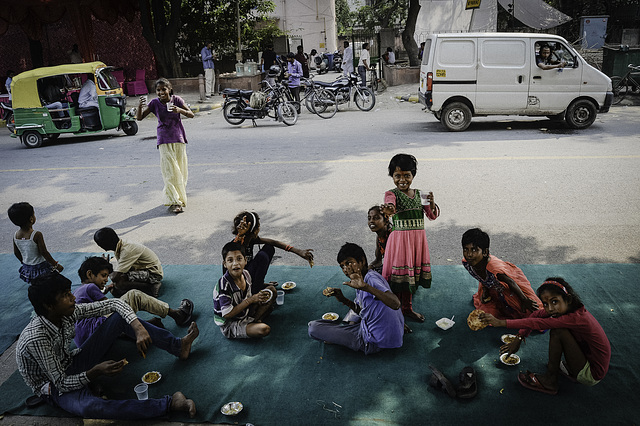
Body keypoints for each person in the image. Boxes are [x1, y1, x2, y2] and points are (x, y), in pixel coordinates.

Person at [16, 272, 198, 420]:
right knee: (91, 407)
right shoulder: (36, 338)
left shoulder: (65, 313)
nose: (73, 297)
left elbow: (114, 304)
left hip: (72, 362)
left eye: (69, 292)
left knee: (119, 317)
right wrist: (94, 372)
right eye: (65, 295)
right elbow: (61, 383)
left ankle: (178, 346)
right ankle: (168, 404)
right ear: (48, 306)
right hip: (53, 387)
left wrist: (138, 327)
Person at [481, 278, 611, 395]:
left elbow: (537, 323)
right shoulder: (573, 311)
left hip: (592, 373)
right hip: (589, 361)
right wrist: (520, 337)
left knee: (558, 331)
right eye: (546, 304)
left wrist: (501, 322)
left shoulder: (575, 318)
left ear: (569, 299)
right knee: (560, 329)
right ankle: (570, 369)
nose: (550, 308)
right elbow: (536, 315)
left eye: (555, 301)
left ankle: (550, 380)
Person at [73, 256, 194, 346]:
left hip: (85, 342)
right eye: (103, 275)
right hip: (96, 332)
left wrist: (104, 290)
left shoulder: (78, 292)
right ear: (89, 274)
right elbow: (113, 306)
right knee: (133, 296)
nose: (105, 279)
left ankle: (132, 331)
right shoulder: (90, 287)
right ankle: (177, 315)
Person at [308, 243, 404, 354]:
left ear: (362, 261)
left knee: (313, 328)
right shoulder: (366, 276)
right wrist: (343, 299)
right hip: (381, 333)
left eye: (349, 263)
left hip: (374, 341)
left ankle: (342, 337)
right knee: (351, 316)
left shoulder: (370, 280)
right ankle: (342, 333)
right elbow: (362, 311)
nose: (346, 269)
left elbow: (396, 304)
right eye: (342, 266)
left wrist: (366, 287)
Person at [380, 154, 440, 322]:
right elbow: (390, 206)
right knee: (399, 278)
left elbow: (432, 216)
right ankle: (395, 310)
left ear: (413, 175)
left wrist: (432, 204)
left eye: (407, 175)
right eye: (397, 176)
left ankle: (407, 308)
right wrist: (388, 209)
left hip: (416, 244)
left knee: (410, 277)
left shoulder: (422, 194)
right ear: (392, 176)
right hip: (400, 245)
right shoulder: (390, 194)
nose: (402, 180)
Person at [136, 78, 193, 214]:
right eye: (158, 90)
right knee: (169, 172)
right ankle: (175, 202)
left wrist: (180, 110)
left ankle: (179, 195)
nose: (161, 92)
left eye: (164, 89)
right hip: (163, 139)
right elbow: (139, 118)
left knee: (180, 170)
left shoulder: (177, 100)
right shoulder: (154, 103)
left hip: (178, 138)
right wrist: (139, 106)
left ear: (169, 89)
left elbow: (191, 114)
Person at [462, 228, 541, 319]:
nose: (469, 254)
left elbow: (511, 282)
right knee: (487, 314)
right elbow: (481, 278)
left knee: (533, 314)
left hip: (512, 286)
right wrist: (485, 290)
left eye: (474, 250)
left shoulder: (495, 269)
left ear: (485, 252)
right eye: (465, 249)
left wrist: (524, 300)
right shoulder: (467, 263)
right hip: (495, 288)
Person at [228, 211, 314, 293]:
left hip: (247, 275)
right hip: (237, 283)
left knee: (269, 248)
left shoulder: (250, 239)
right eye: (258, 226)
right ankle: (255, 291)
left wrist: (298, 251)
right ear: (254, 230)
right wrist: (239, 236)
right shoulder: (235, 245)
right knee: (262, 256)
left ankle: (258, 284)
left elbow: (273, 242)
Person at [213, 242, 277, 339]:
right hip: (231, 323)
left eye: (239, 259)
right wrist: (251, 300)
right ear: (225, 264)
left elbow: (247, 295)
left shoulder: (246, 274)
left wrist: (258, 296)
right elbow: (227, 314)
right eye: (230, 260)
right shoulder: (224, 286)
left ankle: (253, 321)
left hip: (245, 312)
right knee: (264, 329)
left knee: (272, 291)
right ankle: (255, 321)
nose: (235, 263)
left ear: (245, 260)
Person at [93, 227, 164, 298]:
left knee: (120, 284)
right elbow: (120, 272)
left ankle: (151, 286)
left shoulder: (126, 250)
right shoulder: (120, 246)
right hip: (143, 270)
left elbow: (114, 277)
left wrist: (107, 265)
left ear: (105, 245)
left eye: (99, 244)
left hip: (153, 274)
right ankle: (142, 287)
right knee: (115, 290)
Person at [8, 202, 63, 283]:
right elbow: (44, 252)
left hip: (28, 268)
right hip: (42, 268)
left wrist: (24, 263)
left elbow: (16, 252)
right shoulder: (36, 235)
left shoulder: (15, 235)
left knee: (37, 285)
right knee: (54, 283)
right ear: (31, 219)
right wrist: (56, 265)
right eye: (34, 214)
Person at [367, 205, 392, 274]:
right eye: (369, 218)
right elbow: (378, 261)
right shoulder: (379, 238)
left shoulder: (392, 236)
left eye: (376, 218)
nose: (371, 221)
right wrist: (369, 267)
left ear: (386, 221)